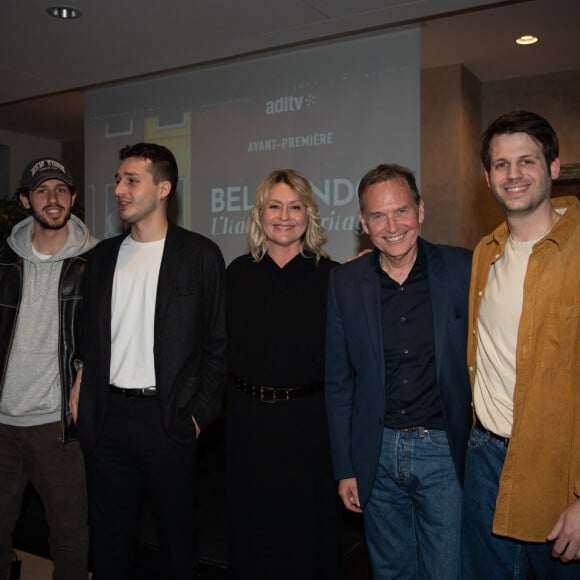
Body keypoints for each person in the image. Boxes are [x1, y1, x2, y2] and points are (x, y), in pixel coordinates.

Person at [72, 142, 227, 580]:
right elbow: (92, 336)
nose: (119, 189)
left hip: (170, 419)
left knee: (177, 545)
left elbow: (218, 346)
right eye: (118, 180)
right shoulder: (101, 257)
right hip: (108, 420)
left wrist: (198, 416)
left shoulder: (199, 255)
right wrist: (82, 385)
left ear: (163, 188)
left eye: (131, 180)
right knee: (110, 545)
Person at [324, 163, 472, 579]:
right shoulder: (344, 282)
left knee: (447, 571)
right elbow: (338, 382)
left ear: (421, 211)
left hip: (444, 453)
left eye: (401, 211)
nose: (391, 226)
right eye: (378, 215)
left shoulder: (464, 269)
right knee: (391, 572)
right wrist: (345, 467)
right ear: (362, 222)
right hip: (377, 455)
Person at [462, 110, 580, 579]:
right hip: (483, 458)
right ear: (487, 177)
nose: (514, 175)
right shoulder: (483, 253)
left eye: (526, 161)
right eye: (502, 164)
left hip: (557, 470)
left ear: (553, 167)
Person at [226, 169, 341, 579]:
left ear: (309, 216)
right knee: (251, 533)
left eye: (295, 207)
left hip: (309, 427)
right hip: (246, 424)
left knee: (306, 538)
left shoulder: (334, 278)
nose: (284, 216)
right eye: (274, 206)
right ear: (260, 215)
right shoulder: (236, 274)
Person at [0, 158, 97, 579]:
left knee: (71, 543)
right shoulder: (3, 261)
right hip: (1, 427)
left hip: (58, 428)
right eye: (42, 190)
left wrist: (86, 376)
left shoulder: (96, 262)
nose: (52, 198)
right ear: (26, 200)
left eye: (61, 189)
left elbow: (107, 337)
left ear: (73, 199)